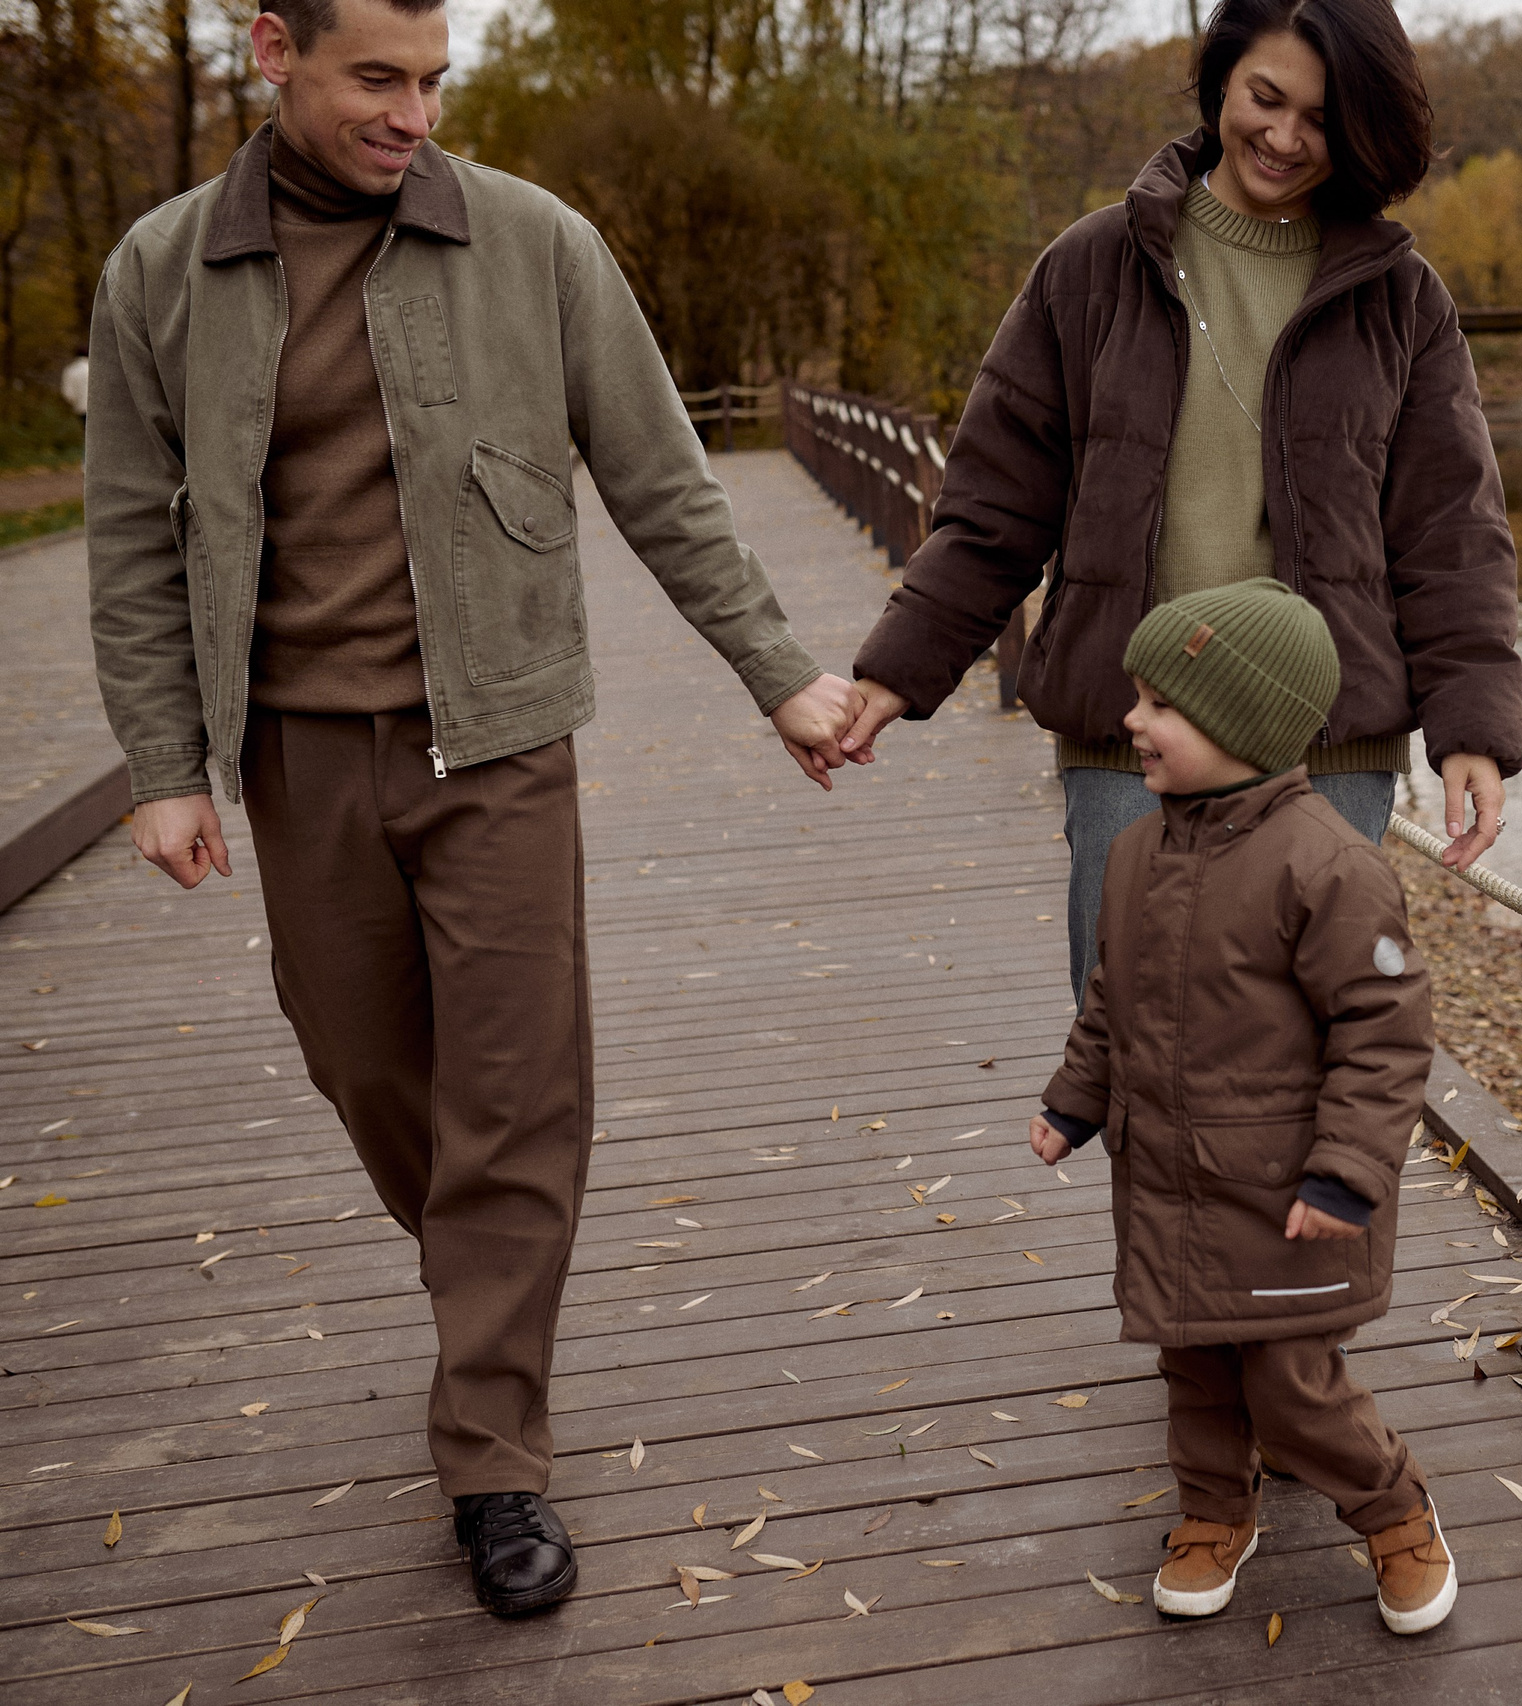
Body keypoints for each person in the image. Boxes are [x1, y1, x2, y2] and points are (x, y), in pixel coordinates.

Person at [83, 0, 856, 1617]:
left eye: (435, 82)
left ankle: (494, 1455)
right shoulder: (165, 272)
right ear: (270, 47)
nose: (413, 115)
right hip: (297, 754)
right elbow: (131, 546)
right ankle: (483, 1292)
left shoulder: (533, 243)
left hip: (496, 743)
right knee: (367, 1063)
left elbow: (661, 477)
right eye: (378, 79)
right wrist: (162, 766)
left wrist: (776, 671)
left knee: (514, 1093)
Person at [837, 0, 1522, 1001]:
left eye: (1323, 119)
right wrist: (897, 668)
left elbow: (1450, 531)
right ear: (1219, 83)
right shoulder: (1089, 268)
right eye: (1265, 97)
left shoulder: (1400, 298)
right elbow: (994, 506)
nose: (1285, 138)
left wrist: (1470, 726)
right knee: (1132, 1048)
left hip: (1326, 746)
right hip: (1129, 735)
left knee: (1314, 1055)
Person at [1030, 577, 1455, 1633]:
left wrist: (1347, 1169)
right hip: (1170, 1178)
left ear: (1242, 722)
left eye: (1159, 703)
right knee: (1195, 1365)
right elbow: (1109, 998)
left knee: (1292, 1383)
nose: (1131, 720)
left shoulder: (1329, 865)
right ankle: (1215, 1509)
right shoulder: (1135, 850)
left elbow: (1384, 1028)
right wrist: (1074, 1100)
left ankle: (1395, 1508)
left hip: (1284, 1189)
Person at [59, 348, 87, 419]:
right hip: (99, 408)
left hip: (81, 408)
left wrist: (76, 403)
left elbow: (68, 393)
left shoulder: (70, 370)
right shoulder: (95, 368)